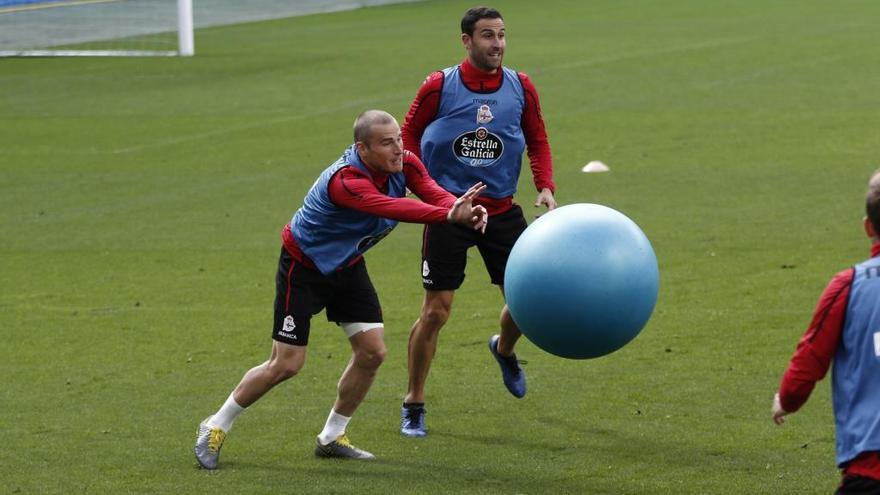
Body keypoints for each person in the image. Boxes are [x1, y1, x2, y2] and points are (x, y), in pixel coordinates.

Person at [194, 110, 488, 469]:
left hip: (347, 266)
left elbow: (431, 191)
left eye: (398, 138)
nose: (399, 148)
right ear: (361, 149)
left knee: (372, 352)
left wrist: (460, 207)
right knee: (286, 364)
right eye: (386, 143)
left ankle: (332, 436)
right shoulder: (346, 182)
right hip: (303, 268)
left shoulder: (405, 163)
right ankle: (215, 425)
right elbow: (393, 206)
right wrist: (447, 216)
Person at [399, 6, 557, 438]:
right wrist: (421, 184)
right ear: (467, 41)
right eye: (488, 36)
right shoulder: (439, 86)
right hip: (449, 211)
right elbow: (407, 138)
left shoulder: (521, 86)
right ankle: (414, 401)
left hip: (502, 211)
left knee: (529, 303)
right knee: (436, 312)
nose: (498, 44)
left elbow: (538, 139)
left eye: (502, 35)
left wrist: (544, 185)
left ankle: (503, 349)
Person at [771, 170, 880, 494]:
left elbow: (809, 361)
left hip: (870, 469)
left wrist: (786, 401)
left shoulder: (848, 286)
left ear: (868, 226)